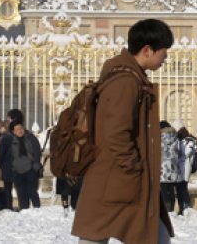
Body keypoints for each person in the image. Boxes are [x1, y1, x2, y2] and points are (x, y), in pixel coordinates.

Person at [72, 18, 175, 244]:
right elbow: (116, 133)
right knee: (98, 236)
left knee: (154, 235)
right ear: (147, 50)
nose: (165, 58)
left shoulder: (129, 77)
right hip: (118, 180)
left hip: (118, 179)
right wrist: (134, 168)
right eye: (164, 52)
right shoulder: (126, 82)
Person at [7, 121, 41, 210]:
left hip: (30, 169)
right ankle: (24, 210)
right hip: (17, 172)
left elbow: (37, 151)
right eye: (17, 129)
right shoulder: (10, 141)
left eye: (21, 128)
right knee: (21, 193)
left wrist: (36, 164)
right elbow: (8, 156)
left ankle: (37, 209)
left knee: (32, 191)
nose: (20, 131)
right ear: (13, 132)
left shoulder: (30, 138)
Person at [0, 108, 25, 211]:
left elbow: (1, 154)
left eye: (9, 119)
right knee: (20, 189)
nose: (7, 121)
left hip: (8, 167)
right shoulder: (25, 134)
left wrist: (0, 163)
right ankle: (23, 207)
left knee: (8, 189)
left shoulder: (6, 137)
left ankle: (8, 207)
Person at [159, 121, 182, 214]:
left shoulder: (159, 138)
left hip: (163, 169)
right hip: (173, 168)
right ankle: (171, 208)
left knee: (164, 191)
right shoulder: (176, 138)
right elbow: (180, 152)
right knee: (171, 190)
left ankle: (166, 210)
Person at [175, 127, 197, 214]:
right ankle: (182, 209)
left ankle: (186, 207)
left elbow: (186, 153)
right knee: (180, 190)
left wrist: (178, 152)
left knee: (183, 189)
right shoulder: (183, 142)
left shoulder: (189, 142)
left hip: (185, 168)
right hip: (180, 169)